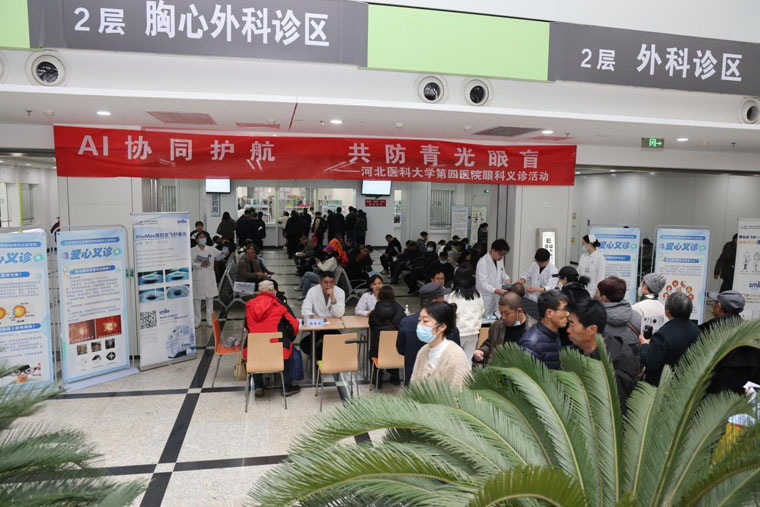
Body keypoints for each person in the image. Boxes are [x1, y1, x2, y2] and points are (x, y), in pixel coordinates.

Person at [566, 299, 640, 413]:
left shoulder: (615, 368)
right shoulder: (574, 352)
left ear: (592, 329)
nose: (568, 330)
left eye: (572, 324)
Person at [244, 280, 302, 397]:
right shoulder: (280, 305)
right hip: (277, 350)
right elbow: (294, 325)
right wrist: (289, 338)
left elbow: (246, 326)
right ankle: (286, 386)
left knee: (254, 349)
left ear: (258, 292)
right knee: (287, 349)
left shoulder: (249, 305)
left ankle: (258, 385)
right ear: (274, 291)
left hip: (254, 350)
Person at [396, 283, 461, 386]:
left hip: (413, 379)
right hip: (441, 385)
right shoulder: (447, 326)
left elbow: (400, 349)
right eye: (442, 297)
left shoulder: (406, 322)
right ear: (435, 301)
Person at [700, 291, 760, 394]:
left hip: (714, 391)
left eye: (715, 303)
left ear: (719, 306)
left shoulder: (711, 328)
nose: (713, 306)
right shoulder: (748, 329)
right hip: (742, 391)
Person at [639, 292, 700, 386]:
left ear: (667, 312)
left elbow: (650, 362)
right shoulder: (698, 330)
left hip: (664, 387)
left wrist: (644, 344)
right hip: (690, 385)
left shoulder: (662, 335)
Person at [409, 302, 471, 390]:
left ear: (442, 326)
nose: (420, 325)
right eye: (419, 320)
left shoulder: (455, 356)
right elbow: (413, 385)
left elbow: (460, 391)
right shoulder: (423, 351)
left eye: (425, 321)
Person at [473, 292, 537, 366]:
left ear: (519, 311)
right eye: (501, 313)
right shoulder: (497, 326)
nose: (503, 317)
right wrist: (481, 351)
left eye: (507, 313)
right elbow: (489, 344)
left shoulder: (535, 330)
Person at [518, 291, 568, 370]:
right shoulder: (531, 343)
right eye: (564, 310)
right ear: (549, 313)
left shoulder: (554, 333)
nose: (567, 314)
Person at [300, 271, 346, 360]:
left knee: (336, 344)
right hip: (315, 329)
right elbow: (304, 310)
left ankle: (322, 362)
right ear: (320, 282)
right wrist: (313, 316)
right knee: (306, 345)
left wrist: (333, 299)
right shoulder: (312, 291)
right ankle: (320, 362)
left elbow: (339, 314)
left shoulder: (340, 292)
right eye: (326, 282)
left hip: (332, 328)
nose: (329, 285)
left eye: (331, 282)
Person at [368, 286, 406, 388]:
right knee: (394, 347)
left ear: (379, 296)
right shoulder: (400, 311)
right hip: (397, 350)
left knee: (372, 353)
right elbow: (404, 326)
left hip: (378, 349)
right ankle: (396, 378)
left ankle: (377, 380)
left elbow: (372, 327)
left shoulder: (374, 313)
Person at [445, 267, 485, 364]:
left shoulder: (453, 296)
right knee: (468, 361)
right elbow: (482, 311)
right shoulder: (478, 295)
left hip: (459, 332)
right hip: (474, 332)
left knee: (455, 361)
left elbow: (450, 315)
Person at [596, 276, 642, 347]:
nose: (596, 294)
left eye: (598, 292)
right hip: (631, 354)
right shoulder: (637, 317)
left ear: (604, 298)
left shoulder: (594, 318)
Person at [191, 231, 220, 328]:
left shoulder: (211, 249)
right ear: (196, 240)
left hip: (209, 277)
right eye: (200, 237)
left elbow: (220, 256)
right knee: (197, 300)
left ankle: (210, 321)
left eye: (204, 237)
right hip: (198, 276)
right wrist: (200, 264)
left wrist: (225, 253)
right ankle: (197, 321)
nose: (203, 239)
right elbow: (190, 263)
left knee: (210, 300)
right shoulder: (192, 250)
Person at [475, 239, 511, 318]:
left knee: (496, 317)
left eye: (503, 255)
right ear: (493, 250)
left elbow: (502, 272)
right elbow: (483, 283)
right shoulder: (482, 262)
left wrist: (507, 279)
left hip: (497, 295)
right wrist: (496, 290)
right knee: (485, 319)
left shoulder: (499, 260)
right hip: (486, 297)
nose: (501, 257)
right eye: (500, 254)